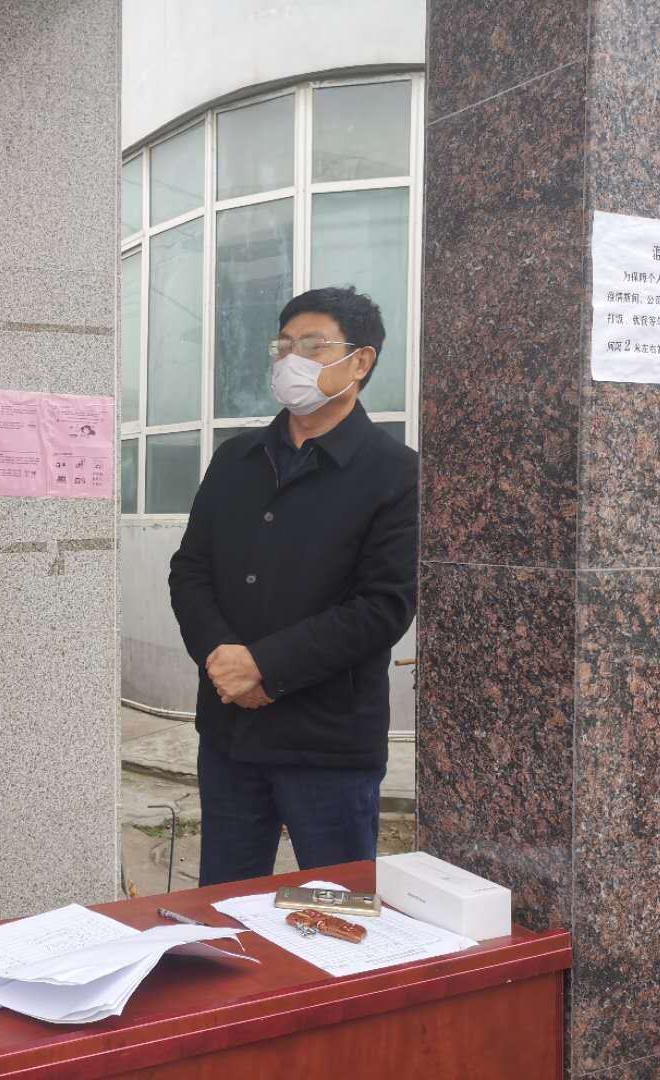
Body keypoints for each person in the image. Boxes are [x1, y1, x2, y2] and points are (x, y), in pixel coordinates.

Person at [169, 286, 418, 886]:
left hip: (328, 742)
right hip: (230, 733)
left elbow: (383, 606)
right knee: (224, 906)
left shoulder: (396, 473)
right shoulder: (236, 460)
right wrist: (222, 657)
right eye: (283, 347)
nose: (291, 361)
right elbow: (190, 569)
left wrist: (265, 667)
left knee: (337, 908)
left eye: (312, 346)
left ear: (360, 361)